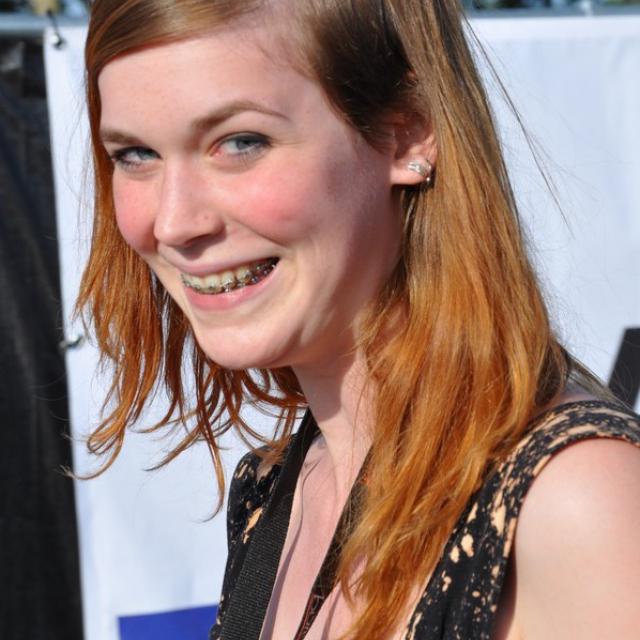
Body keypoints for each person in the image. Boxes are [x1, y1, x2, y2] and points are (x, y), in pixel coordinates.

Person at [79, 0, 640, 638]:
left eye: (241, 143)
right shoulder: (275, 491)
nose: (175, 222)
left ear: (408, 135)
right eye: (135, 154)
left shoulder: (576, 501)